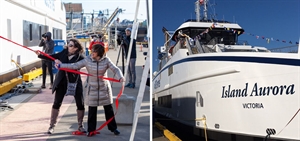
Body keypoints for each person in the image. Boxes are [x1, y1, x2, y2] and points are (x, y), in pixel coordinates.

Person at [55, 43, 125, 137]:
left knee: (109, 109)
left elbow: (115, 69)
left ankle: (113, 128)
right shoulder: (87, 60)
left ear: (100, 53)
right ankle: (91, 130)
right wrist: (61, 66)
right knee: (92, 110)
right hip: (92, 88)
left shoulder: (106, 60)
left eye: (94, 51)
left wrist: (120, 77)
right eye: (92, 50)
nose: (92, 52)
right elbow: (74, 66)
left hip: (104, 88)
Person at [35, 38, 86, 134]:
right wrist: (40, 55)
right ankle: (51, 126)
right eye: (68, 44)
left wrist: (62, 64)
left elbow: (74, 65)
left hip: (74, 81)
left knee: (80, 103)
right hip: (62, 81)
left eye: (71, 45)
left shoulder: (81, 58)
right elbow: (52, 57)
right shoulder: (63, 52)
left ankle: (80, 125)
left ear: (75, 48)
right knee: (57, 103)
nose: (68, 46)